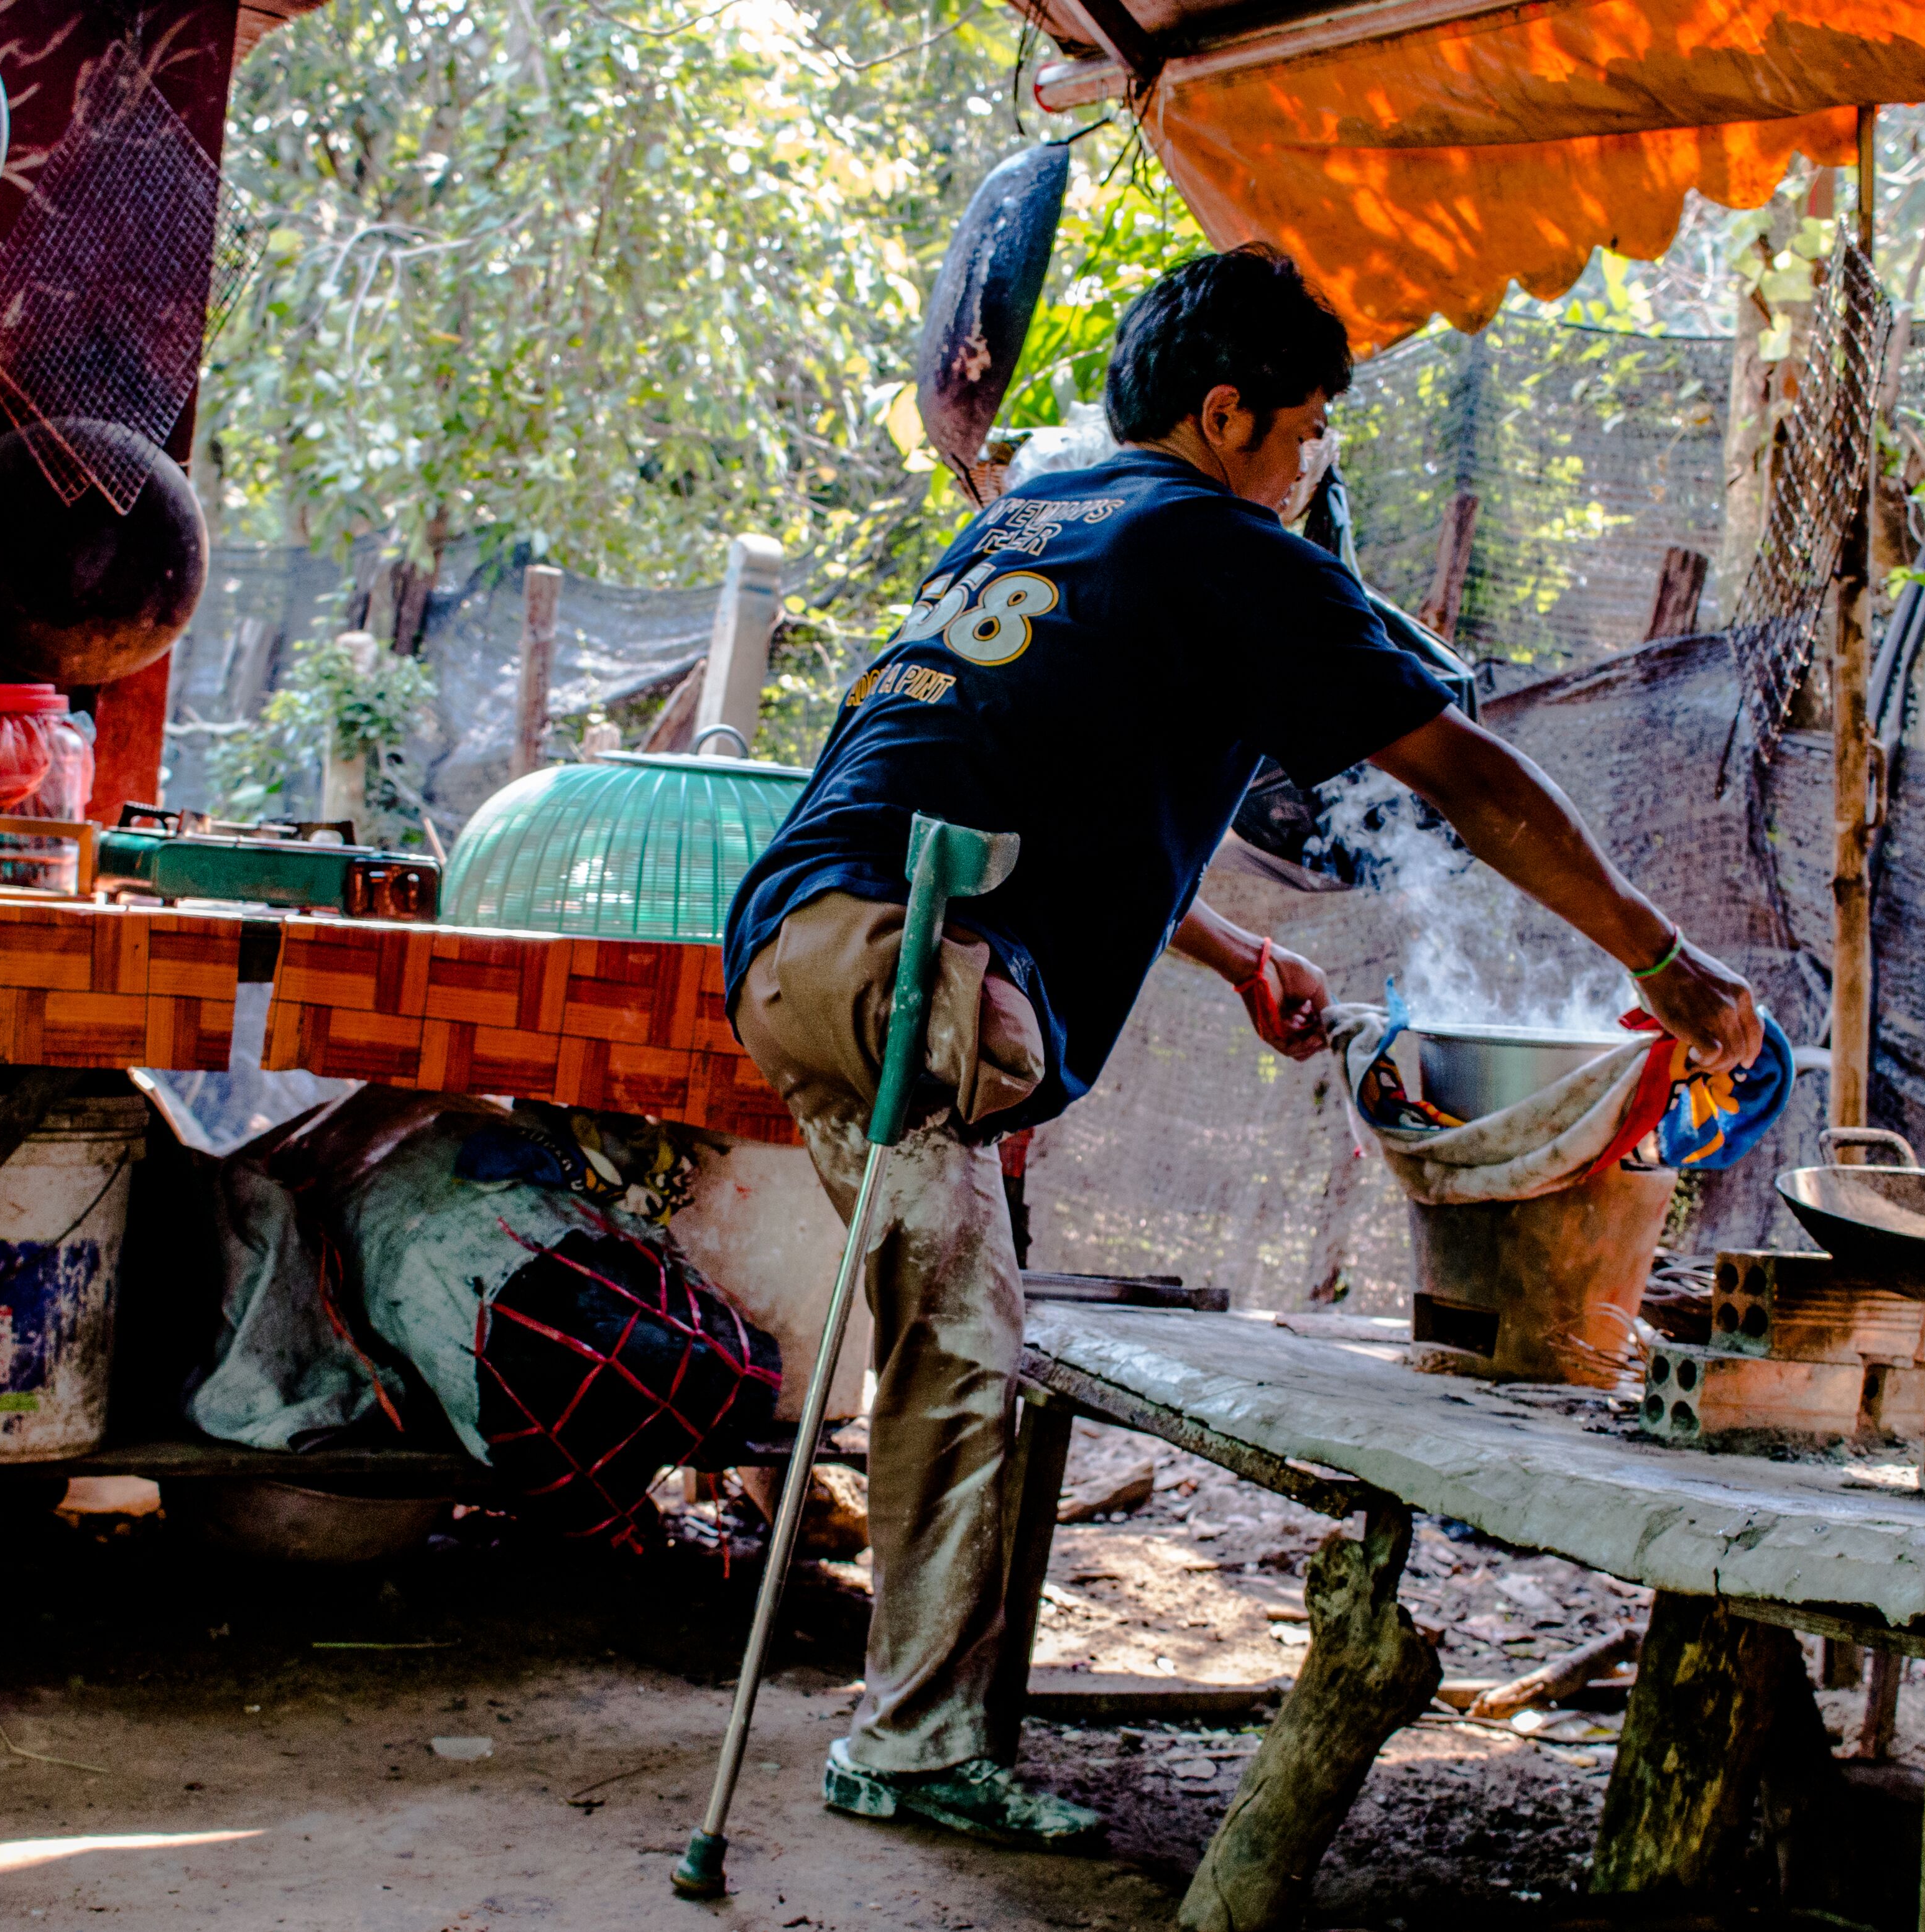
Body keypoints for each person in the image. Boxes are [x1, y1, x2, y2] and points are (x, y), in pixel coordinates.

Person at [721, 244, 1763, 1849]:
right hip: (908, 959)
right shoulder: (1219, 543)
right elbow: (1469, 784)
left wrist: (1220, 950)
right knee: (959, 1327)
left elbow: (999, 785)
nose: (1310, 469)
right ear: (1225, 417)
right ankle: (912, 1738)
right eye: (1308, 433)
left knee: (952, 1313)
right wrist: (1660, 958)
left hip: (800, 935)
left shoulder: (1037, 519)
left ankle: (914, 1719)